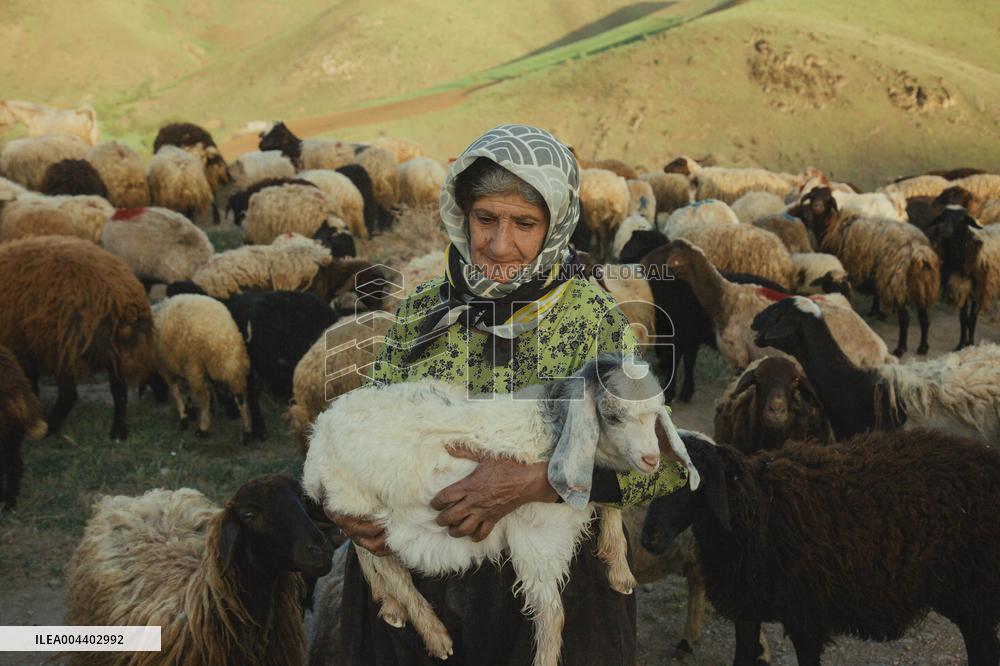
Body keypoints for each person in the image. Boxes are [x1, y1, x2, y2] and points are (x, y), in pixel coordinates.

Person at [332, 124, 688, 665]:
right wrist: (343, 507)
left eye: (524, 223)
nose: (500, 245)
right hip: (422, 577)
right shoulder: (423, 311)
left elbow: (664, 469)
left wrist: (537, 481)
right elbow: (358, 427)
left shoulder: (592, 319)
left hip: (554, 588)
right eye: (485, 219)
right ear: (461, 215)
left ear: (556, 225)